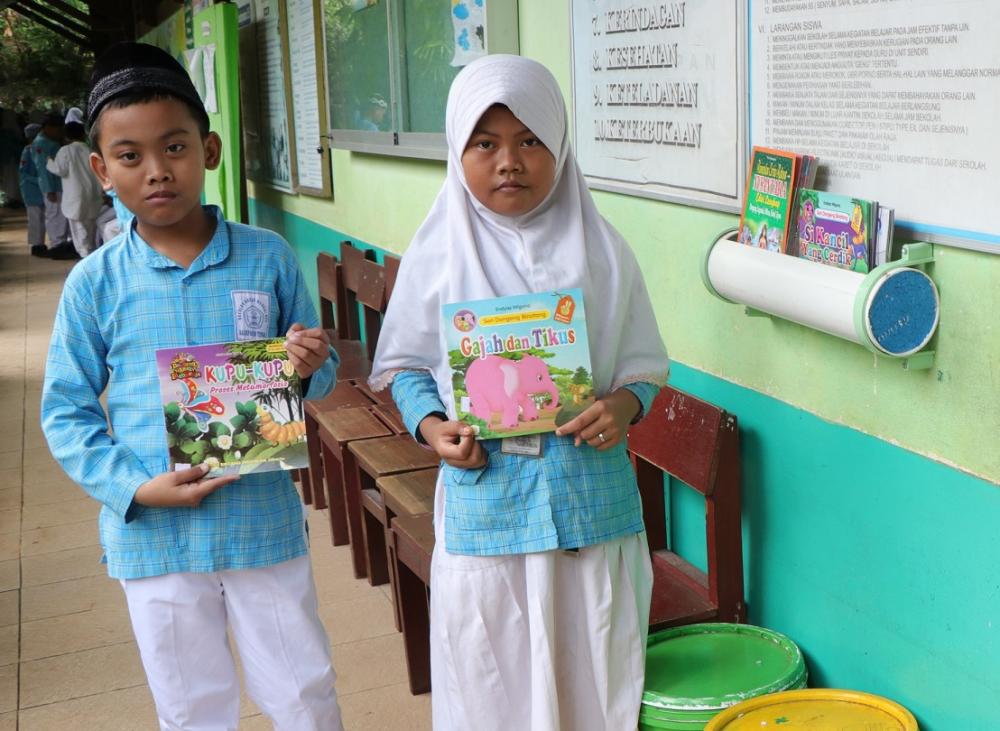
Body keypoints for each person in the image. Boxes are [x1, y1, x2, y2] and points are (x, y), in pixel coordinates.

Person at [41, 42, 345, 730]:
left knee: (304, 692)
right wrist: (131, 486)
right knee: (191, 706)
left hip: (260, 524)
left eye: (174, 147)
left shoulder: (265, 255)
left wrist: (305, 365)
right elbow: (67, 413)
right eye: (130, 156)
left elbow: (316, 379)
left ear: (207, 150)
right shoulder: (95, 283)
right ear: (101, 170)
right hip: (155, 536)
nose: (157, 171)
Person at [368, 55, 669, 731]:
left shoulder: (604, 251)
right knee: (490, 684)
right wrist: (431, 426)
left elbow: (644, 367)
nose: (510, 161)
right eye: (486, 143)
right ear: (458, 149)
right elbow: (409, 366)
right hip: (489, 514)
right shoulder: (439, 253)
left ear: (559, 145)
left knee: (598, 675)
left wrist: (622, 408)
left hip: (590, 516)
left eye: (530, 139)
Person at [46, 121, 104, 257]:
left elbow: (60, 170)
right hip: (93, 195)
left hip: (75, 197)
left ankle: (85, 258)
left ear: (66, 136)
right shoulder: (90, 151)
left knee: (79, 231)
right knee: (90, 230)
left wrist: (49, 161)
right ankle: (90, 255)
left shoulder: (66, 151)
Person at [30, 113, 77, 259]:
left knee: (61, 216)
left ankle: (63, 243)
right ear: (48, 128)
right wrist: (49, 189)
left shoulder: (51, 142)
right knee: (55, 216)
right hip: (53, 187)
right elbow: (43, 169)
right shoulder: (42, 144)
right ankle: (58, 244)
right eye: (58, 129)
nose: (60, 133)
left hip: (60, 185)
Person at [18, 123, 47, 256]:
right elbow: (23, 173)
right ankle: (37, 245)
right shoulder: (27, 150)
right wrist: (39, 181)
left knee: (43, 218)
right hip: (31, 189)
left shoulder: (40, 147)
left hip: (42, 188)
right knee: (35, 219)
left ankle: (41, 243)